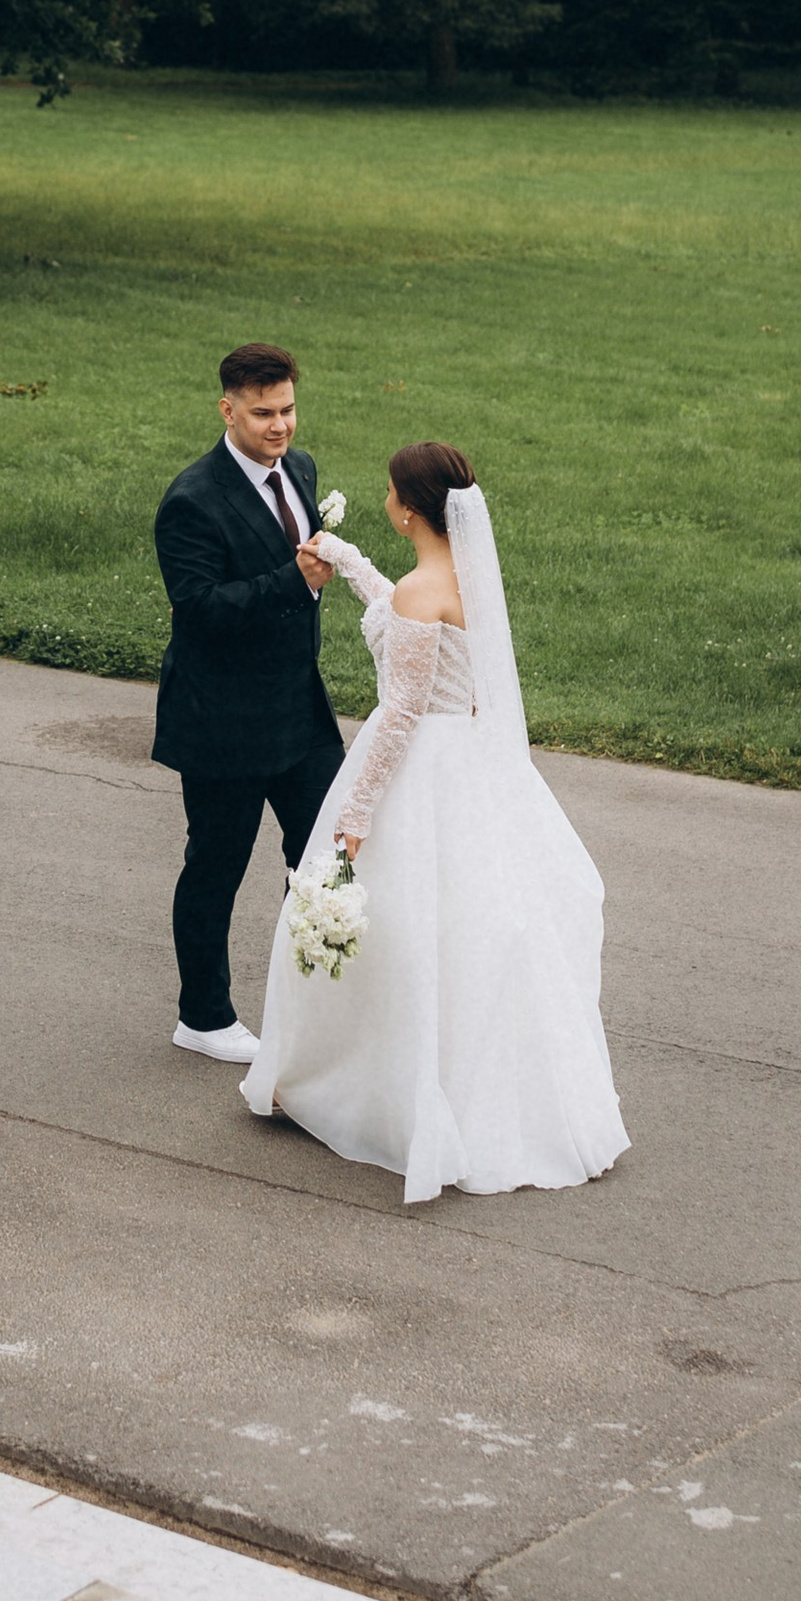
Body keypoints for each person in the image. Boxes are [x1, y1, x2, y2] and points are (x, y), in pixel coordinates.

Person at [241, 441, 627, 1200]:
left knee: (396, 932)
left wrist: (355, 813)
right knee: (473, 933)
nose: (385, 498)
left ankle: (361, 1086)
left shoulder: (424, 591)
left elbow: (399, 716)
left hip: (422, 771)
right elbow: (412, 621)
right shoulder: (463, 577)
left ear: (409, 509)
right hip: (473, 765)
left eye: (389, 491)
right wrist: (351, 563)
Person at [151, 344, 345, 1064]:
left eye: (288, 409)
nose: (280, 425)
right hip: (223, 718)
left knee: (330, 856)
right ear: (227, 410)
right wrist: (294, 583)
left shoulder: (300, 470)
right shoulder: (191, 501)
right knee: (217, 864)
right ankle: (202, 1017)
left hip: (298, 707)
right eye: (263, 413)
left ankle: (327, 1003)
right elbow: (198, 610)